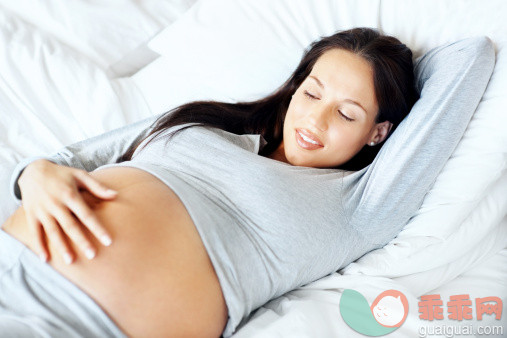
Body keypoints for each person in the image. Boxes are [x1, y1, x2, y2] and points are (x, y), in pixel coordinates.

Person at [0, 28, 494, 337]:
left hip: (92, 324)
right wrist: (35, 174)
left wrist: (388, 74)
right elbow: (71, 158)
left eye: (346, 113)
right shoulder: (206, 122)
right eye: (312, 92)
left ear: (378, 133)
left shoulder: (358, 207)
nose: (315, 120)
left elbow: (468, 57)